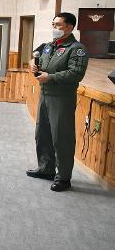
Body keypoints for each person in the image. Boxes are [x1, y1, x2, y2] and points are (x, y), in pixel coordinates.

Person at [27, 12, 89, 192]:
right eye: (53, 24)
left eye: (58, 25)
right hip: (45, 95)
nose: (54, 28)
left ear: (70, 27)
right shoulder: (49, 46)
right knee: (42, 133)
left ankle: (63, 177)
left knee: (61, 138)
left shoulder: (76, 49)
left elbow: (76, 73)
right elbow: (35, 55)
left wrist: (51, 77)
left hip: (62, 98)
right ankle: (46, 168)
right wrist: (33, 63)